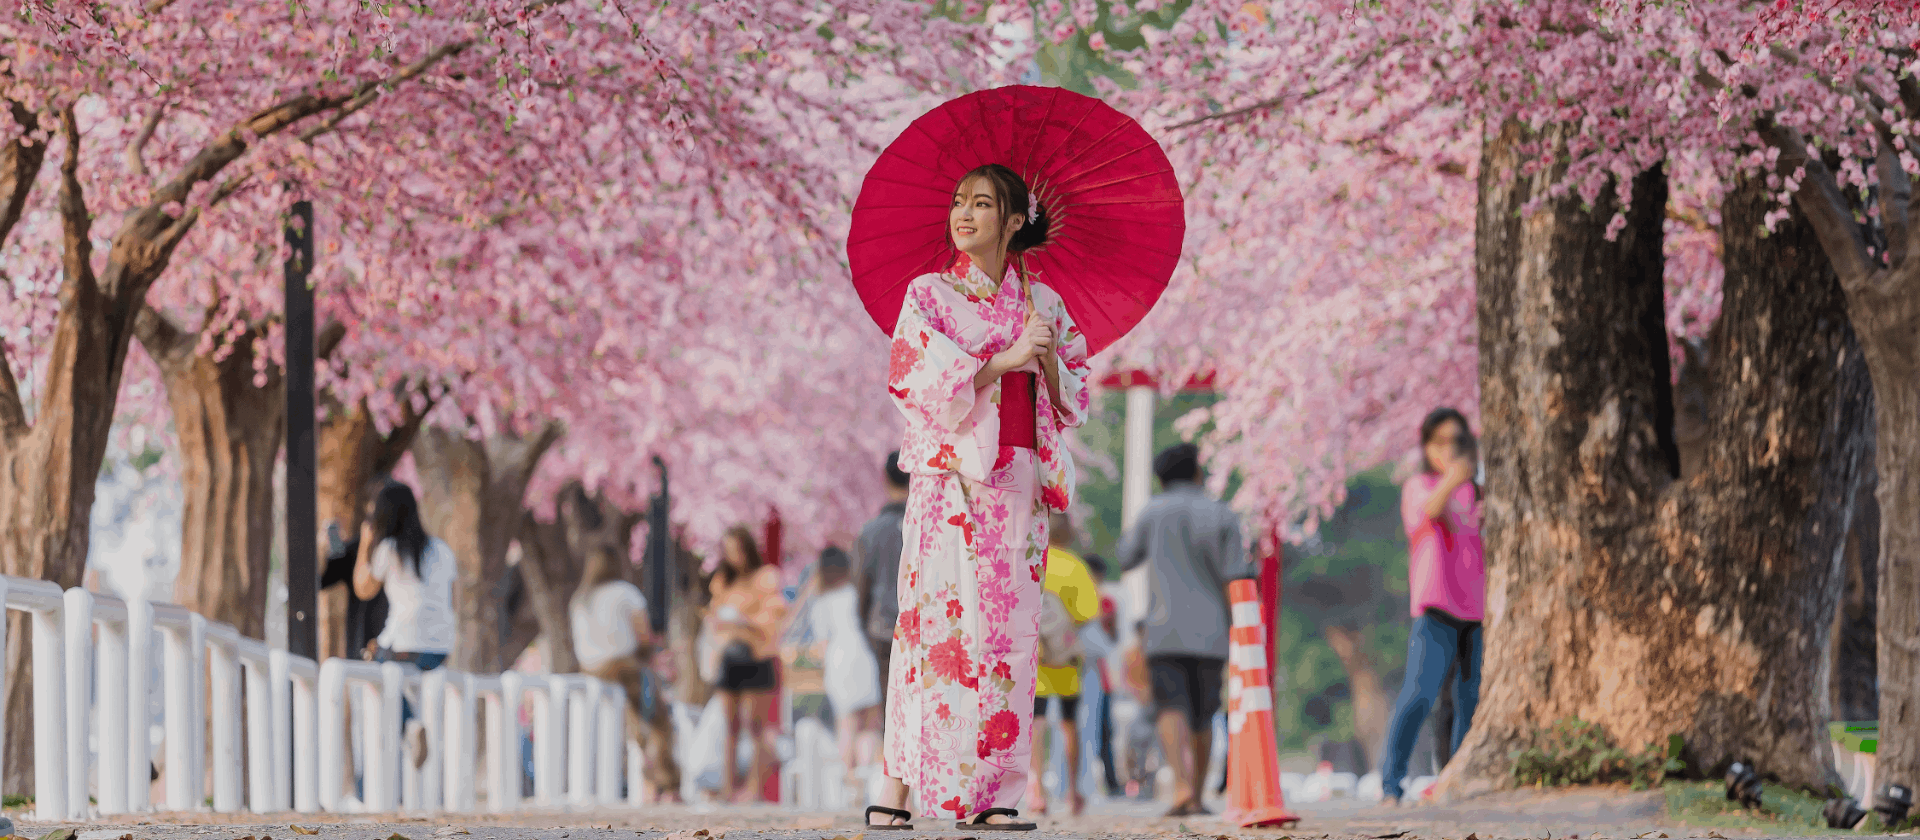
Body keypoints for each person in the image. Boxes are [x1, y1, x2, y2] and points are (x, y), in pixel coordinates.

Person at [867, 163, 1091, 831]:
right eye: (959, 201)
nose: (963, 214)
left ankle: (998, 793)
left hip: (1016, 480)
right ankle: (898, 784)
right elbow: (911, 375)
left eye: (983, 204)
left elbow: (1074, 391)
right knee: (931, 627)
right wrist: (1002, 358)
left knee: (1007, 634)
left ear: (1014, 220)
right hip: (950, 482)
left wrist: (1046, 360)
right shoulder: (929, 294)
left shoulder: (1042, 303)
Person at [1118, 442, 1252, 817]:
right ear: (1197, 472)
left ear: (1161, 479)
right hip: (1212, 632)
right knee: (1203, 711)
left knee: (1170, 706)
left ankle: (1179, 787)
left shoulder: (1152, 512)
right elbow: (1236, 575)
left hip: (1163, 629)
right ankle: (1196, 794)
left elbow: (1126, 557)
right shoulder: (1222, 514)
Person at [1379, 408, 1486, 806]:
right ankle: (1391, 784)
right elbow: (1429, 512)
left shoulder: (1477, 493)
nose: (1450, 449)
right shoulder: (1420, 486)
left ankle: (1455, 783)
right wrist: (1453, 477)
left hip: (1478, 610)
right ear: (1427, 446)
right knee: (1419, 695)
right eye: (1440, 441)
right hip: (1436, 606)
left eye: (1458, 441)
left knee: (1469, 701)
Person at [351, 480, 455, 769]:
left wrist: (364, 543)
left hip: (405, 646)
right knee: (387, 666)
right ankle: (411, 725)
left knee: (376, 664)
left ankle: (409, 725)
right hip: (440, 650)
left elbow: (363, 588)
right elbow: (451, 601)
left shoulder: (389, 549)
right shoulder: (442, 550)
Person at [569, 545, 681, 802]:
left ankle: (648, 778)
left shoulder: (580, 598)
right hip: (622, 667)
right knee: (658, 722)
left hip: (590, 669)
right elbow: (643, 638)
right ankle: (667, 783)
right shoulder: (625, 593)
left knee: (635, 721)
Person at [705, 526, 786, 803]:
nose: (733, 557)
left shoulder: (766, 577)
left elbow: (774, 616)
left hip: (758, 655)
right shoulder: (722, 581)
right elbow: (714, 618)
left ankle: (753, 789)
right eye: (728, 552)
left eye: (737, 550)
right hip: (730, 657)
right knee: (729, 727)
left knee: (757, 726)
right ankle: (728, 788)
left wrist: (745, 621)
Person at [1029, 512, 1099, 816]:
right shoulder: (1076, 567)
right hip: (1067, 661)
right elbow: (1088, 613)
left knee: (1037, 723)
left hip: (1038, 659)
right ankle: (1073, 793)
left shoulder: (1033, 561)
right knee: (1070, 724)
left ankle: (1037, 791)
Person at [800, 546, 884, 791]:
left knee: (845, 724)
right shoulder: (855, 593)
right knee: (870, 724)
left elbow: (822, 642)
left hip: (838, 659)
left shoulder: (821, 602)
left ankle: (850, 785)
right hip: (863, 654)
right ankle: (869, 781)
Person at [855, 453, 910, 711]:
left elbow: (861, 586)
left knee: (891, 706)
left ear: (885, 479)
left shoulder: (870, 531)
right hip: (922, 627)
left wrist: (863, 625)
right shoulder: (928, 526)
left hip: (882, 628)